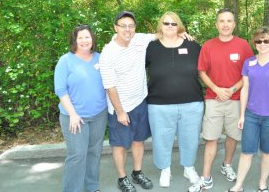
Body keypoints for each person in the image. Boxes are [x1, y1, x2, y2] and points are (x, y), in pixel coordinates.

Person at [99, 11, 192, 192]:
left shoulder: (140, 39)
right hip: (120, 107)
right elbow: (109, 86)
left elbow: (161, 34)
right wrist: (120, 111)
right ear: (115, 28)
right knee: (119, 145)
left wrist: (179, 32)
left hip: (141, 102)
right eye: (123, 26)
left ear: (135, 27)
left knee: (138, 140)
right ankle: (122, 177)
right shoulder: (108, 52)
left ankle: (137, 172)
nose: (127, 29)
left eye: (131, 25)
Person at [188, 8, 254, 192]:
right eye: (222, 21)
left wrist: (232, 89)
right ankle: (206, 177)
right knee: (211, 138)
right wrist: (217, 89)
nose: (225, 24)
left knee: (233, 136)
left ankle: (226, 165)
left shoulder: (243, 45)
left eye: (229, 21)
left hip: (236, 99)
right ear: (216, 24)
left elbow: (248, 73)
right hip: (213, 99)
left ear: (234, 24)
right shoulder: (208, 46)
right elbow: (201, 71)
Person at [146, 11, 204, 188]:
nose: (170, 27)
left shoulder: (193, 45)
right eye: (166, 23)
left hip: (192, 103)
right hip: (159, 104)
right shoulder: (151, 47)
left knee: (190, 138)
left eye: (173, 24)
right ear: (160, 26)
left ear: (179, 26)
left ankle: (188, 167)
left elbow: (204, 70)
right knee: (161, 138)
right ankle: (165, 169)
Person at [228, 27, 269, 192]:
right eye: (258, 41)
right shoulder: (249, 63)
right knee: (246, 152)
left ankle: (262, 184)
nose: (262, 44)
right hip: (252, 115)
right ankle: (238, 185)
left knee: (267, 152)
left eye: (266, 41)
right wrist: (242, 115)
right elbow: (245, 89)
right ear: (254, 43)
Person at [54, 24, 108, 192]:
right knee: (77, 155)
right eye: (80, 37)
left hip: (99, 115)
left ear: (93, 39)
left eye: (88, 37)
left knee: (94, 153)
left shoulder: (101, 58)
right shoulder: (66, 61)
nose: (84, 40)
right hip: (74, 117)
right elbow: (61, 90)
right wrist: (73, 114)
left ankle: (92, 187)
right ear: (75, 40)